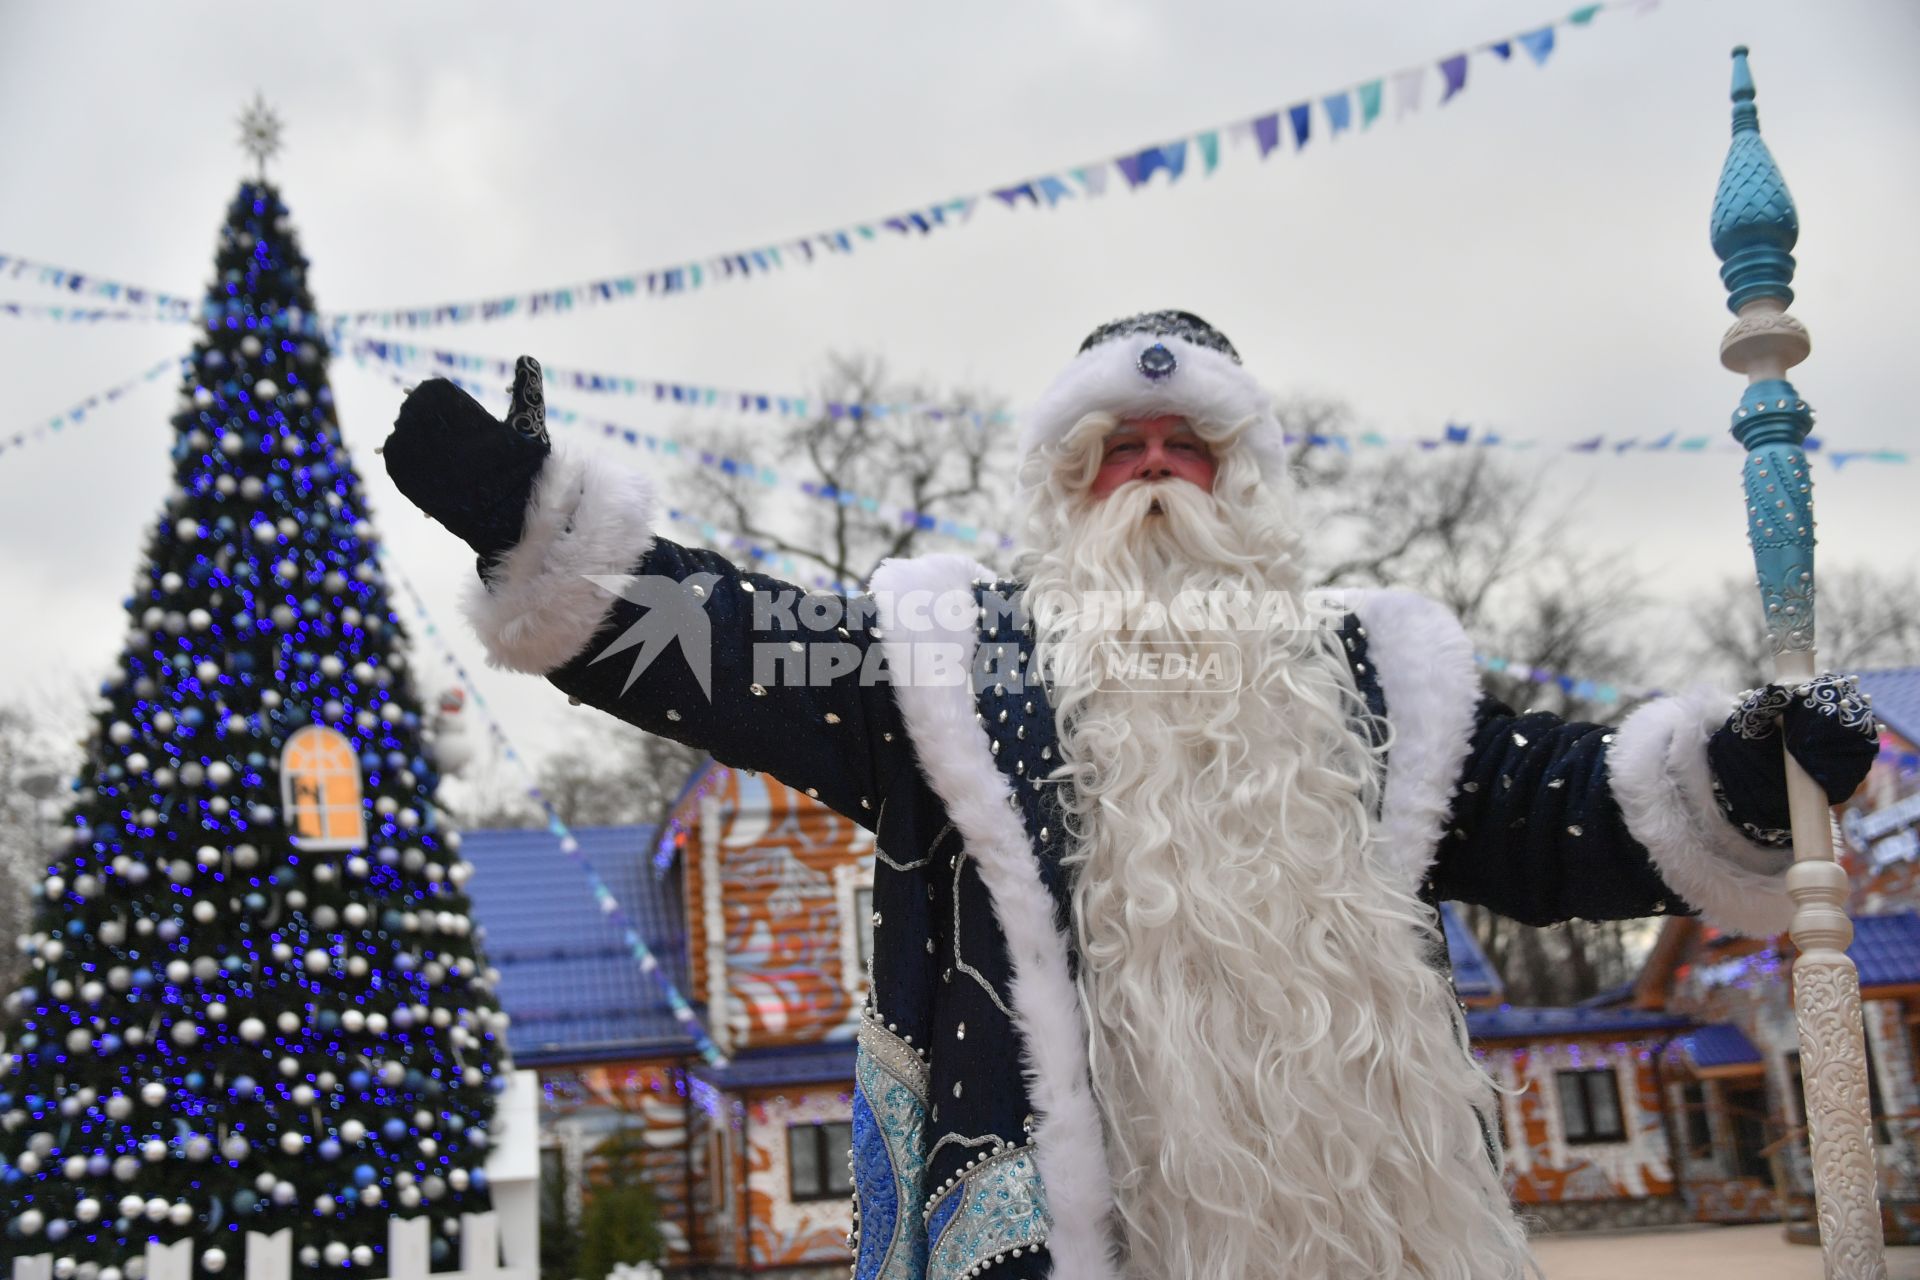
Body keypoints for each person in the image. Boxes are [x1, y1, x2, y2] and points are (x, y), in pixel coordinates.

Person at [383, 312, 1877, 1280]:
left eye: (1188, 449)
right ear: (1066, 485)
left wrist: (1736, 779)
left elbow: (1559, 809)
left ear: (1243, 485)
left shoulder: (1377, 677)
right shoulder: (949, 664)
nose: (1156, 477)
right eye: (1121, 453)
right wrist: (550, 534)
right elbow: (738, 656)